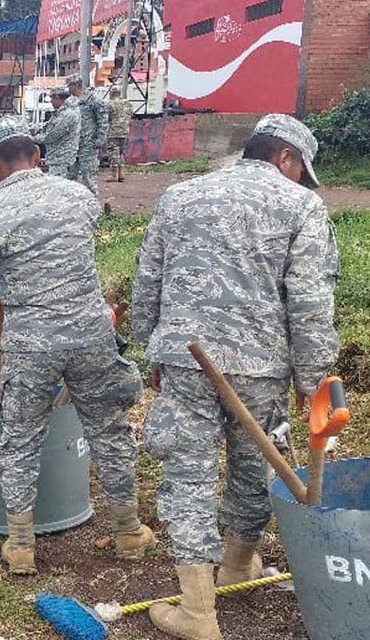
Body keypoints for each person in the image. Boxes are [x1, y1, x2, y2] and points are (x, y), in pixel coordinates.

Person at [130, 114, 338, 640]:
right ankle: (231, 571)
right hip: (261, 366)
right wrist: (312, 380)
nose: (300, 180)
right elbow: (311, 304)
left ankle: (207, 599)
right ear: (286, 158)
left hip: (187, 358)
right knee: (255, 463)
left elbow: (147, 279)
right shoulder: (302, 207)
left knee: (188, 473)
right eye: (300, 171)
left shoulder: (180, 196)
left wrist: (151, 345)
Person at [0, 117, 149, 576]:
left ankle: (21, 546)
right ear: (38, 156)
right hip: (90, 333)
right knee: (108, 429)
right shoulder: (78, 196)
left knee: (19, 437)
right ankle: (128, 531)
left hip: (30, 343)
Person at [67, 73, 109, 194]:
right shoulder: (71, 101)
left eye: (69, 86)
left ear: (76, 85)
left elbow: (103, 121)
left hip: (88, 145)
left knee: (88, 177)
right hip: (73, 145)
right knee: (70, 177)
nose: (68, 89)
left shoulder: (93, 100)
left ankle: (93, 205)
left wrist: (100, 140)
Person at [36, 87, 81, 178]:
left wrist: (32, 138)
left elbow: (51, 136)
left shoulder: (67, 114)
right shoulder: (61, 113)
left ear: (57, 97)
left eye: (52, 98)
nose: (51, 102)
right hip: (59, 158)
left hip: (62, 159)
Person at [107, 87, 132, 182]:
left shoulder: (110, 104)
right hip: (125, 131)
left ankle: (114, 174)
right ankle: (122, 173)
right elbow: (130, 115)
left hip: (114, 131)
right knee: (121, 153)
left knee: (113, 152)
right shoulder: (128, 103)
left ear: (112, 93)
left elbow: (107, 117)